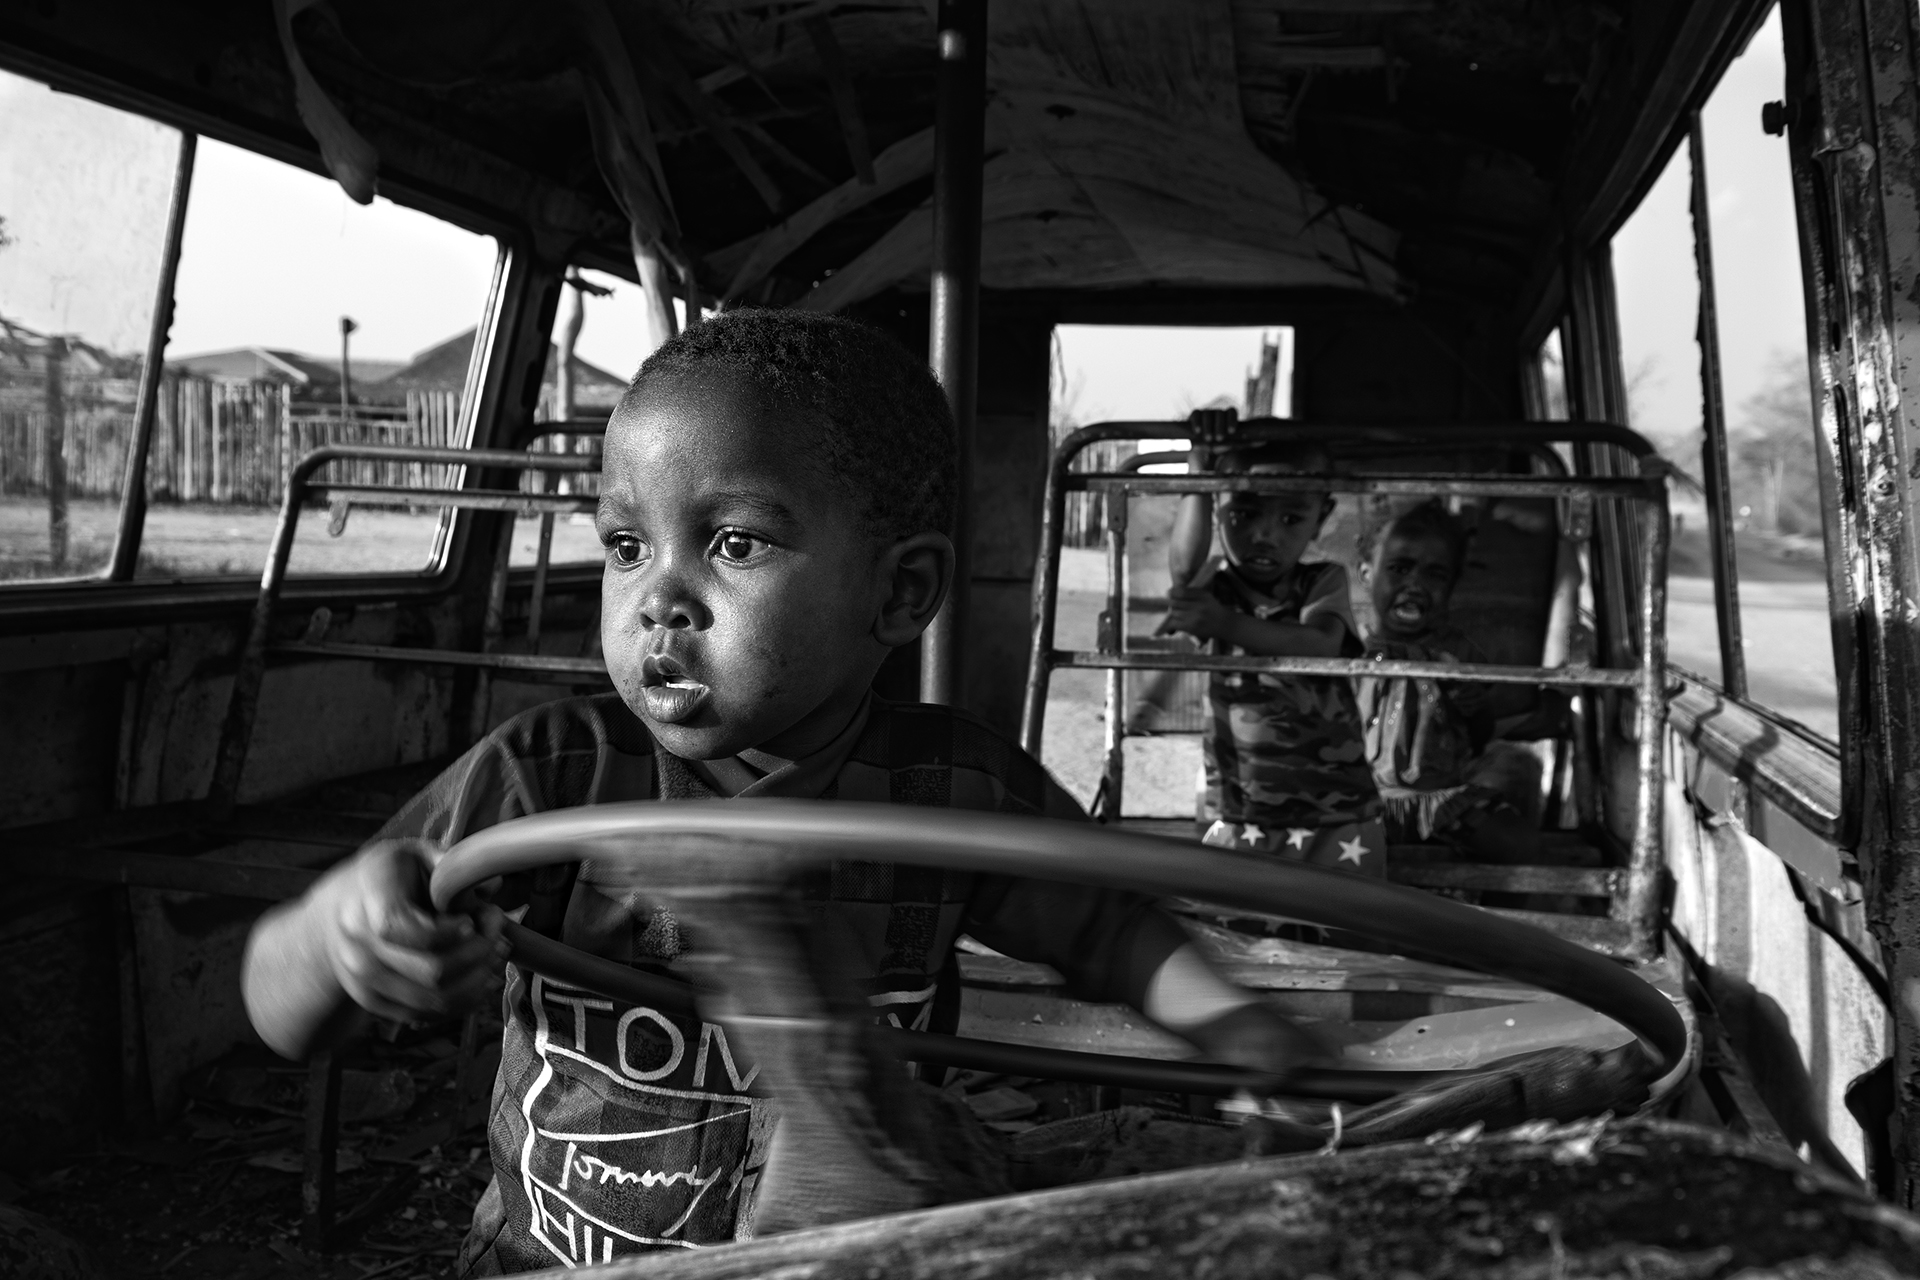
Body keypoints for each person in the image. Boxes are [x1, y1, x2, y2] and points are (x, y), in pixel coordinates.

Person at [241, 311, 1318, 1274]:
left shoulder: (952, 792)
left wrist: (1237, 1027)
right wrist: (339, 936)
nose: (659, 598)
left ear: (900, 591)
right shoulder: (553, 777)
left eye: (734, 542)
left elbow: (1115, 929)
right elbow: (278, 1009)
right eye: (626, 545)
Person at [1156, 439, 1385, 874]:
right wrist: (1199, 470)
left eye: (1291, 519)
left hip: (1337, 807)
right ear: (1217, 509)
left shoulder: (1321, 581)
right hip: (1244, 805)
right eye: (1243, 515)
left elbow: (1320, 645)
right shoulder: (1217, 588)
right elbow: (1183, 573)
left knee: (1347, 915)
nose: (1264, 535)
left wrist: (1224, 624)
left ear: (1322, 518)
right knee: (1236, 916)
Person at [1356, 500, 1544, 864]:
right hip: (1360, 800)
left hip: (1440, 799)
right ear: (1366, 574)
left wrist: (1472, 703)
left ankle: (1484, 904)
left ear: (1452, 586)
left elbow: (1480, 733)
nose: (1415, 585)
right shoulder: (1346, 649)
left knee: (1518, 843)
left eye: (1435, 575)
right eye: (1399, 568)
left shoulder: (1458, 653)